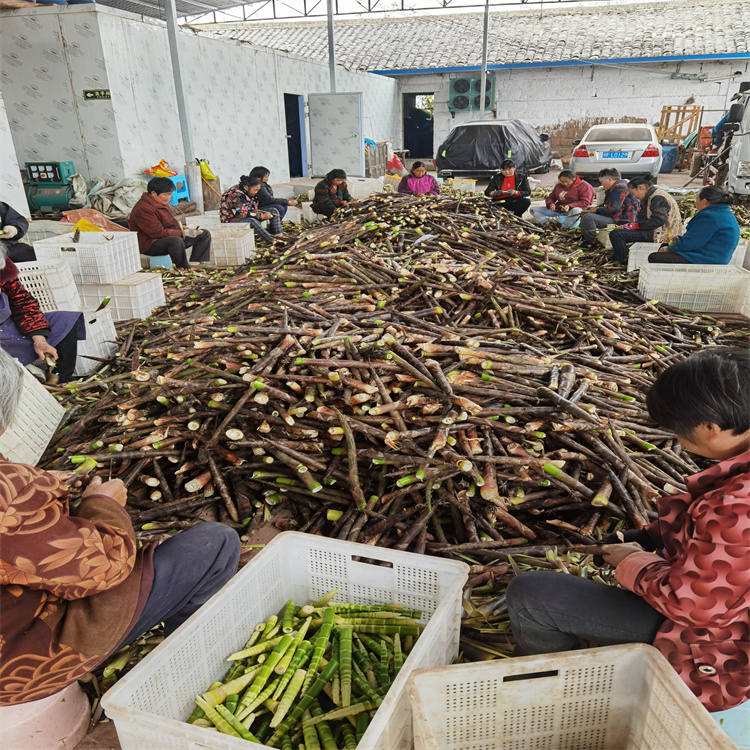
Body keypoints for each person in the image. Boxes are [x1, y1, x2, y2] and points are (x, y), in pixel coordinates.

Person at [506, 347, 750, 713]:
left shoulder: (737, 504)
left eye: (677, 431)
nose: (676, 439)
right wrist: (653, 537)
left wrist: (635, 564)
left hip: (718, 659)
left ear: (710, 430)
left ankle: (541, 696)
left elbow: (695, 606)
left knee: (532, 595)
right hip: (731, 625)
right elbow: (725, 546)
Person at [0, 346, 240, 706]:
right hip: (17, 666)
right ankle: (194, 673)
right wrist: (104, 505)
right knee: (215, 544)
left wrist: (43, 488)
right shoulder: (9, 493)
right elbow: (105, 568)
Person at [0, 242, 83, 383]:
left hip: (8, 327)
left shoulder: (3, 267)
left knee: (65, 320)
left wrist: (39, 340)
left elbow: (22, 302)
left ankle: (62, 379)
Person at [128, 177, 212, 270]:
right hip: (149, 244)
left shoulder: (159, 201)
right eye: (166, 195)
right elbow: (156, 233)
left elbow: (168, 223)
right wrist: (181, 233)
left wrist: (181, 228)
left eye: (170, 194)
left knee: (203, 234)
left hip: (164, 237)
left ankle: (196, 264)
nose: (169, 197)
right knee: (176, 241)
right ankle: (183, 268)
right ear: (153, 194)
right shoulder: (144, 209)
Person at [648, 185, 740, 264]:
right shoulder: (724, 212)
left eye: (697, 198)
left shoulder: (709, 216)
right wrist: (678, 239)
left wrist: (669, 249)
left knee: (655, 257)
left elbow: (691, 243)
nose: (695, 201)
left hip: (706, 259)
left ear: (704, 201)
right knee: (664, 247)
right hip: (712, 256)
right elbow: (697, 239)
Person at [608, 176, 684, 266]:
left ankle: (620, 259)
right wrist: (632, 225)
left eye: (632, 193)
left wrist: (635, 226)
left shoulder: (658, 198)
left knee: (616, 234)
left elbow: (658, 221)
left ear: (641, 187)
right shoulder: (651, 196)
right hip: (651, 229)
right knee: (620, 223)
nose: (634, 196)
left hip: (658, 233)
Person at [579, 168, 640, 247]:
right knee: (587, 211)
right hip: (617, 215)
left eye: (602, 182)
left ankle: (591, 242)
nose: (602, 185)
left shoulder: (619, 188)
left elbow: (613, 208)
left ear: (609, 179)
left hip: (621, 219)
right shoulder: (622, 183)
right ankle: (585, 236)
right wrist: (593, 209)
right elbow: (608, 204)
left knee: (588, 217)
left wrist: (597, 210)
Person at [219, 176, 281, 243]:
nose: (256, 192)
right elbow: (240, 214)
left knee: (273, 211)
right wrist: (261, 216)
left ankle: (279, 235)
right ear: (246, 187)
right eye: (255, 190)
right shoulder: (236, 195)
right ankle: (271, 240)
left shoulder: (245, 190)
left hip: (248, 212)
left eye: (258, 190)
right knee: (252, 221)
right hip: (232, 219)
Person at [529, 169, 595, 228]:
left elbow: (585, 202)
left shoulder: (585, 186)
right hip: (559, 210)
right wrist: (551, 204)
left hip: (573, 212)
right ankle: (547, 224)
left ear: (574, 178)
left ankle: (564, 227)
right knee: (533, 209)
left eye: (566, 181)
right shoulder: (559, 186)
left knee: (576, 211)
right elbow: (551, 197)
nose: (564, 184)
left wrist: (570, 206)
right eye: (562, 182)